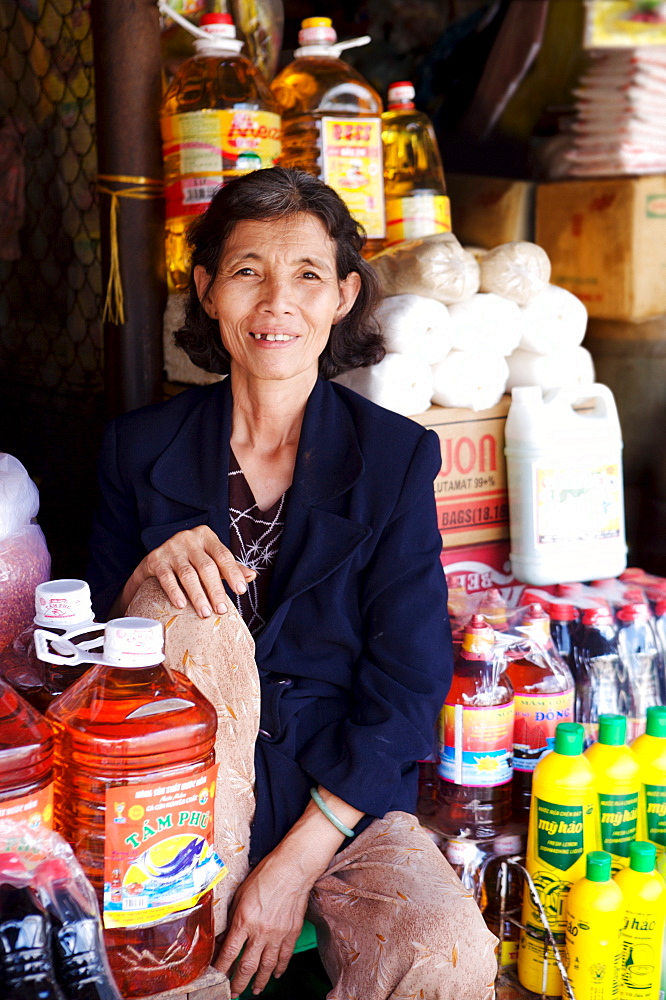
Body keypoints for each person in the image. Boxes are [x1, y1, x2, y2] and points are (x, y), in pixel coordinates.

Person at [88, 166, 497, 1000]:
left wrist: (293, 865)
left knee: (441, 952)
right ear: (206, 291)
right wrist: (139, 583)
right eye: (247, 272)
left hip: (339, 799)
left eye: (307, 274)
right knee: (178, 610)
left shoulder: (394, 457)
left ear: (343, 296)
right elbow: (81, 655)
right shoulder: (136, 450)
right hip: (181, 799)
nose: (277, 302)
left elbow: (410, 683)